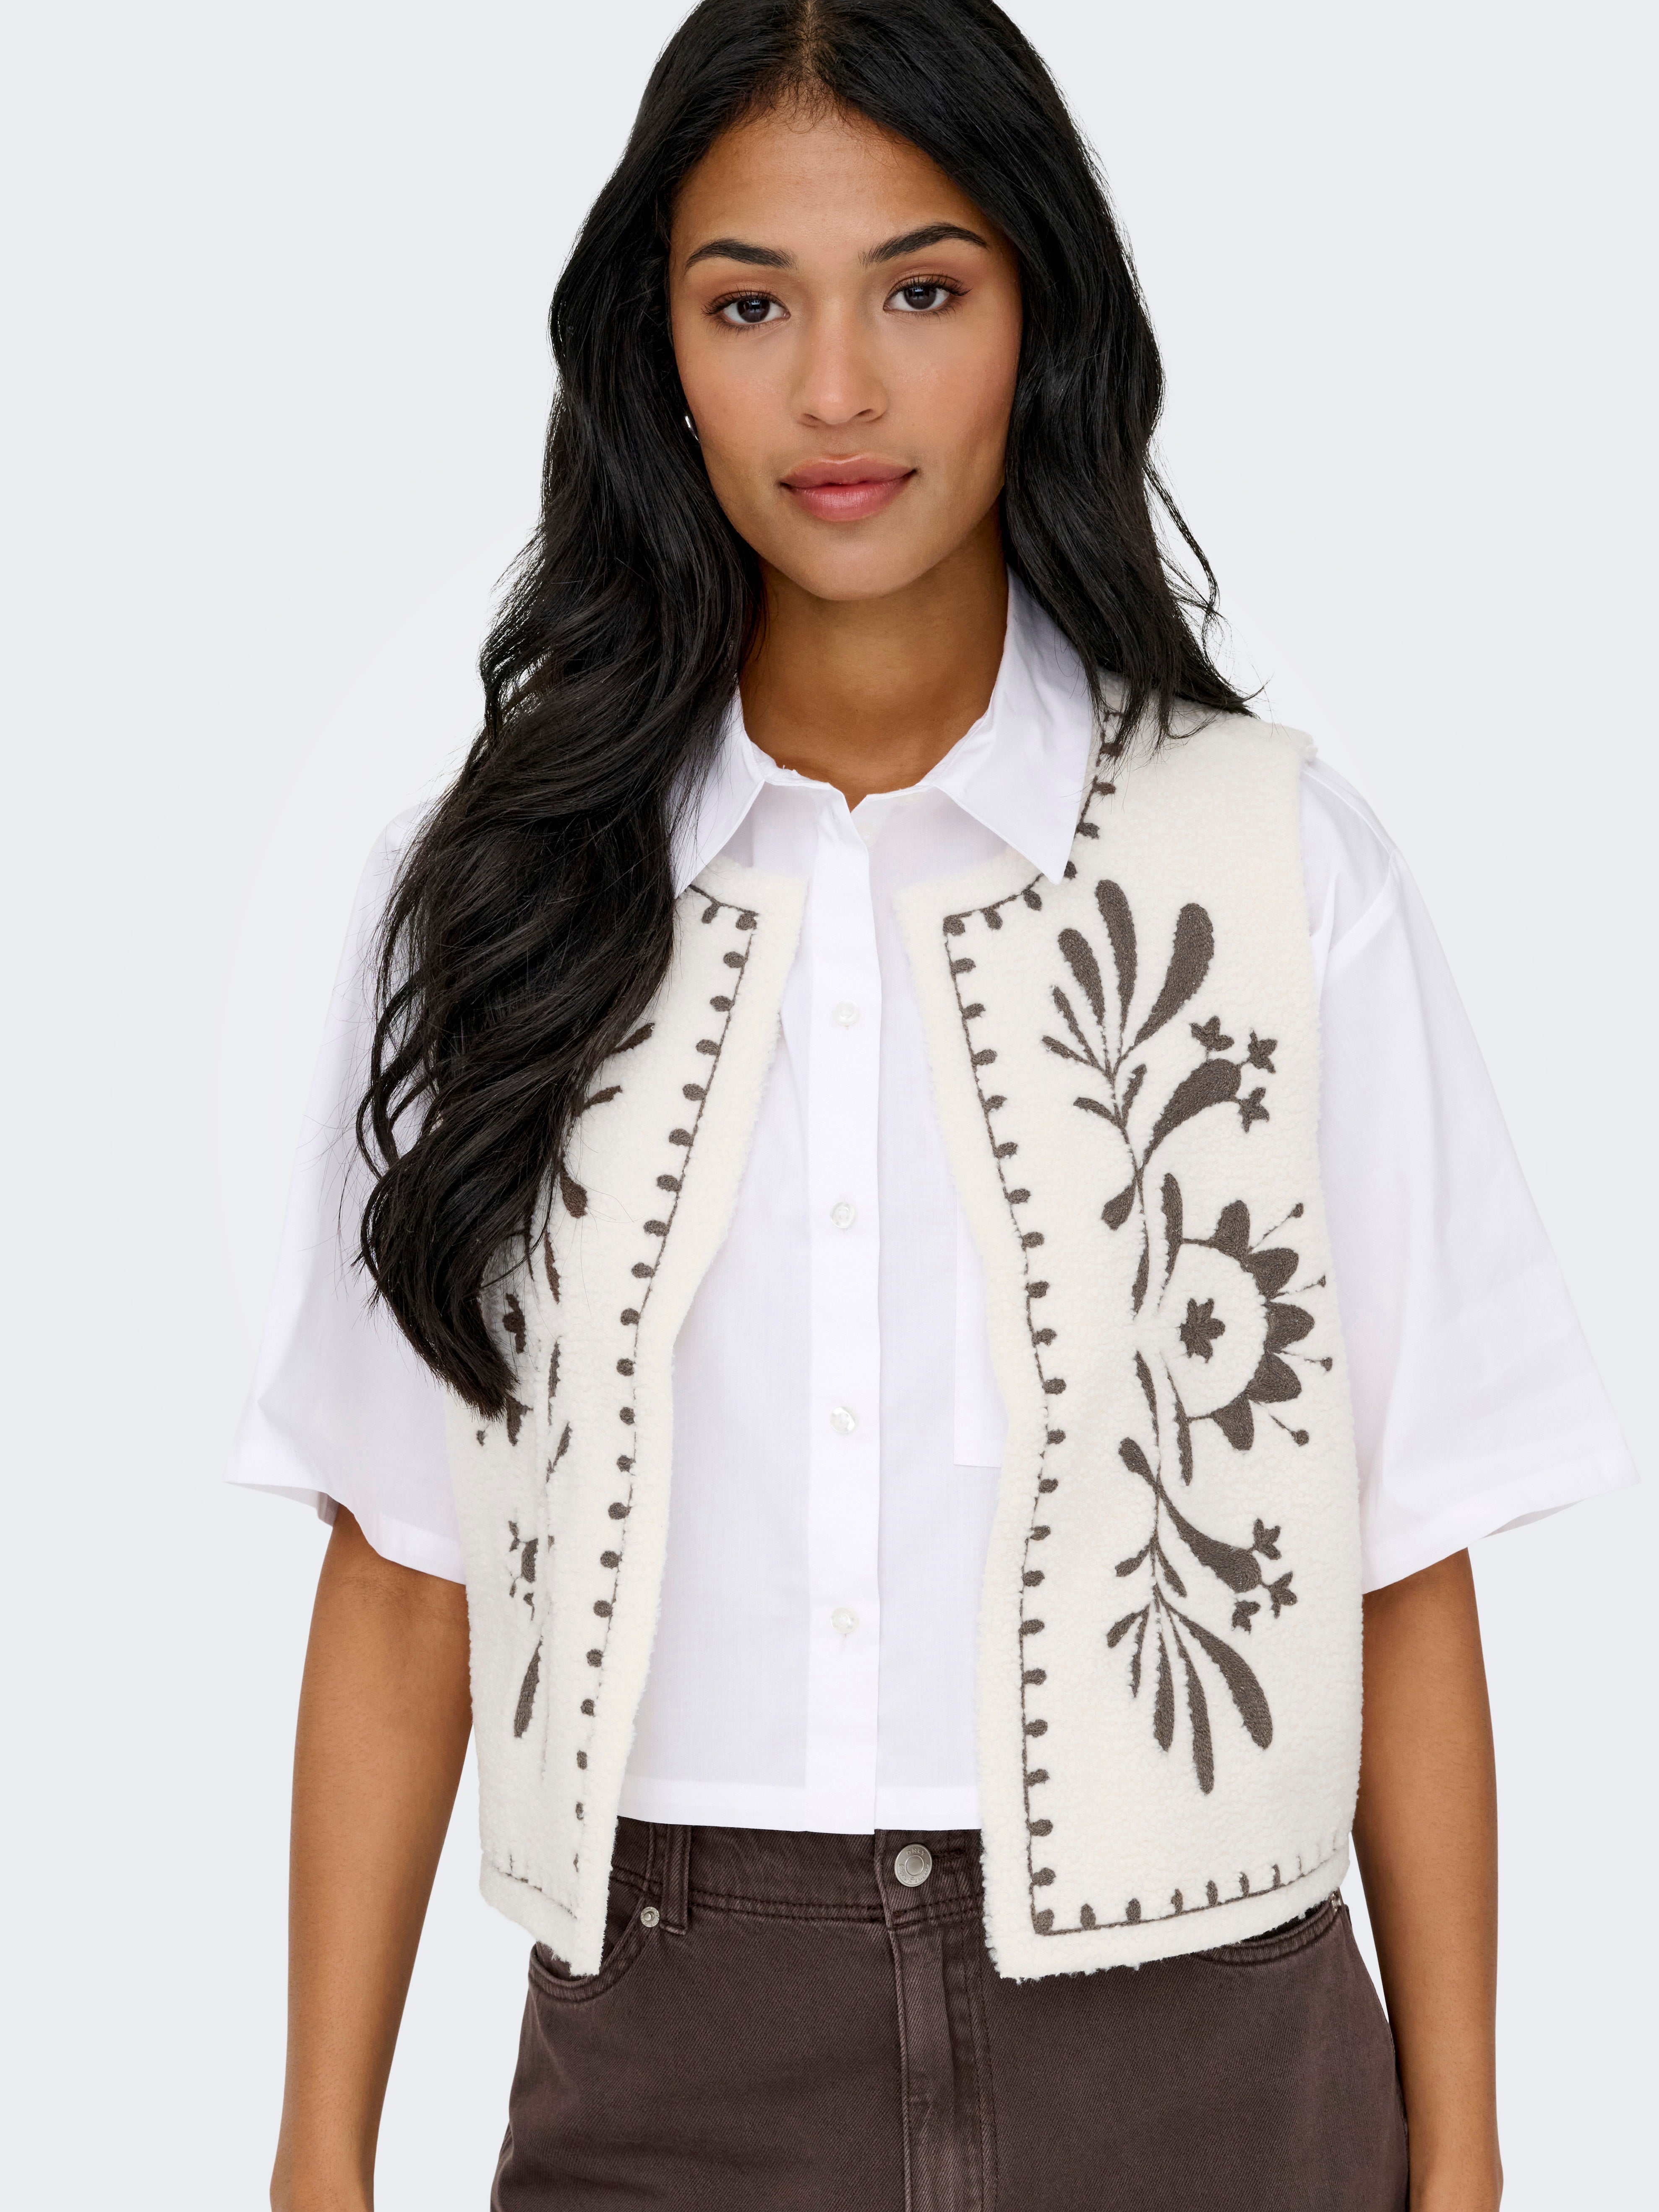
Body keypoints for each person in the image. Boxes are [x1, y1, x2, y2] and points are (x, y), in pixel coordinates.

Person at [230, 4, 1635, 2207]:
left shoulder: (1275, 870)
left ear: (1037, 320)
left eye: (919, 289)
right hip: (671, 2054)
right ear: (655, 354)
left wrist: (1459, 2158)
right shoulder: (501, 903)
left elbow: (1395, 1553)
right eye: (747, 304)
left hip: (1207, 2054)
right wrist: (317, 2158)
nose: (836, 391)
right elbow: (404, 1567)